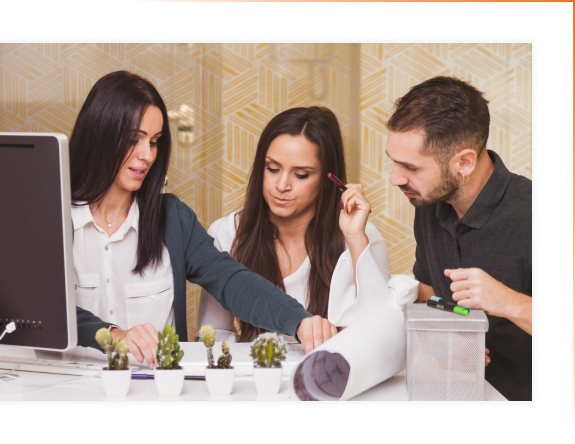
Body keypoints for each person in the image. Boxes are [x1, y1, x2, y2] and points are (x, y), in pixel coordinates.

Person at [70, 70, 338, 368]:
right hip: (62, 383)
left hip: (157, 386)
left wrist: (299, 321)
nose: (147, 155)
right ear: (100, 134)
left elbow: (232, 281)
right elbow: (47, 306)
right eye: (135, 139)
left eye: (155, 142)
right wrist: (114, 334)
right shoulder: (54, 219)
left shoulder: (172, 219)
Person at [197, 106, 417, 344]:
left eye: (301, 174)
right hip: (255, 367)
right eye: (272, 169)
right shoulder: (227, 233)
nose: (281, 185)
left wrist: (356, 239)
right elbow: (213, 334)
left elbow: (381, 333)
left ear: (328, 180)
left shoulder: (363, 236)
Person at [384, 76, 532, 401]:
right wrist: (444, 336)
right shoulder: (428, 203)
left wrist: (506, 301)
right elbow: (429, 295)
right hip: (459, 390)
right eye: (394, 161)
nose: (395, 178)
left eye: (410, 167)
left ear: (464, 162)